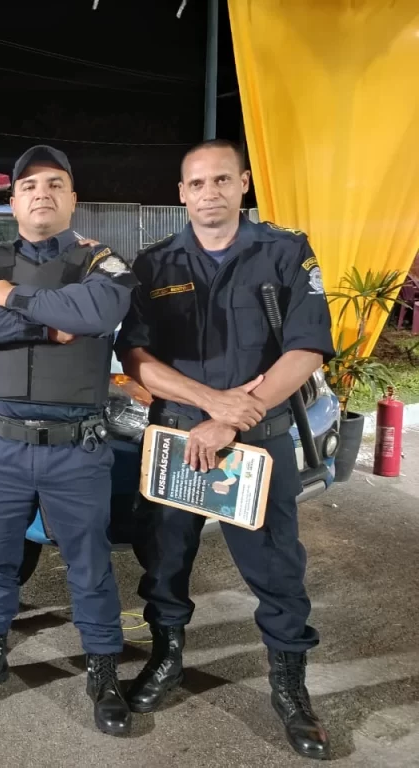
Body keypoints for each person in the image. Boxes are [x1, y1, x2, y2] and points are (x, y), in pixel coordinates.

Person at [116, 138, 334, 760]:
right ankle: (167, 660)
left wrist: (236, 418)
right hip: (178, 438)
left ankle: (290, 689)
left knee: (276, 570)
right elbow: (136, 357)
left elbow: (306, 349)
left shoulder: (286, 252)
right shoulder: (155, 265)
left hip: (256, 439)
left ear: (243, 184)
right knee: (164, 559)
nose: (208, 193)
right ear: (181, 193)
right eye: (196, 183)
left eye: (220, 180)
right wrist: (210, 407)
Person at [0, 145, 138, 735]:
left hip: (75, 448)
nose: (42, 194)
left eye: (55, 184)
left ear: (73, 198)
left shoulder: (99, 260)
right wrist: (51, 323)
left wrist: (15, 299)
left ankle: (104, 671)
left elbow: (102, 308)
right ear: (13, 201)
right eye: (29, 186)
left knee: (90, 565)